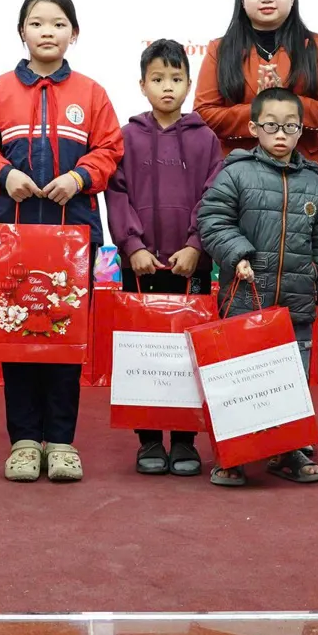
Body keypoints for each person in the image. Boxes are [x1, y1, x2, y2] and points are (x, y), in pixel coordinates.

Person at [0, 0, 124, 484]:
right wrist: (3, 175)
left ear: (73, 33)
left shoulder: (91, 93)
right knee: (17, 335)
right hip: (12, 234)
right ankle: (22, 442)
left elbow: (109, 149)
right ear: (22, 31)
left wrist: (79, 178)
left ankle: (60, 442)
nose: (47, 32)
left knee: (62, 336)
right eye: (37, 23)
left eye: (58, 24)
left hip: (71, 236)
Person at [195, 86, 318, 488]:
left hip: (297, 303)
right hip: (245, 297)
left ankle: (287, 449)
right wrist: (238, 253)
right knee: (240, 375)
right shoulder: (235, 172)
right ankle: (233, 453)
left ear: (302, 130)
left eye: (290, 126)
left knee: (291, 377)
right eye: (271, 126)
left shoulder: (315, 184)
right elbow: (211, 219)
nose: (281, 134)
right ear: (253, 128)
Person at [104, 38, 224, 478]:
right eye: (157, 79)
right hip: (141, 267)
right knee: (146, 350)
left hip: (191, 265)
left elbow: (213, 196)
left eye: (176, 79)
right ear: (142, 85)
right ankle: (150, 439)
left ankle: (186, 439)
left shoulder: (206, 138)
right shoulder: (126, 136)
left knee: (189, 351)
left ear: (189, 84)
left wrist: (196, 245)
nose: (167, 87)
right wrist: (132, 247)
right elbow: (116, 194)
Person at [194, 0, 318, 201]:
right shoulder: (220, 49)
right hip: (238, 170)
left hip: (306, 171)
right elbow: (203, 115)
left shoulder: (315, 46)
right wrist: (259, 110)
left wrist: (288, 103)